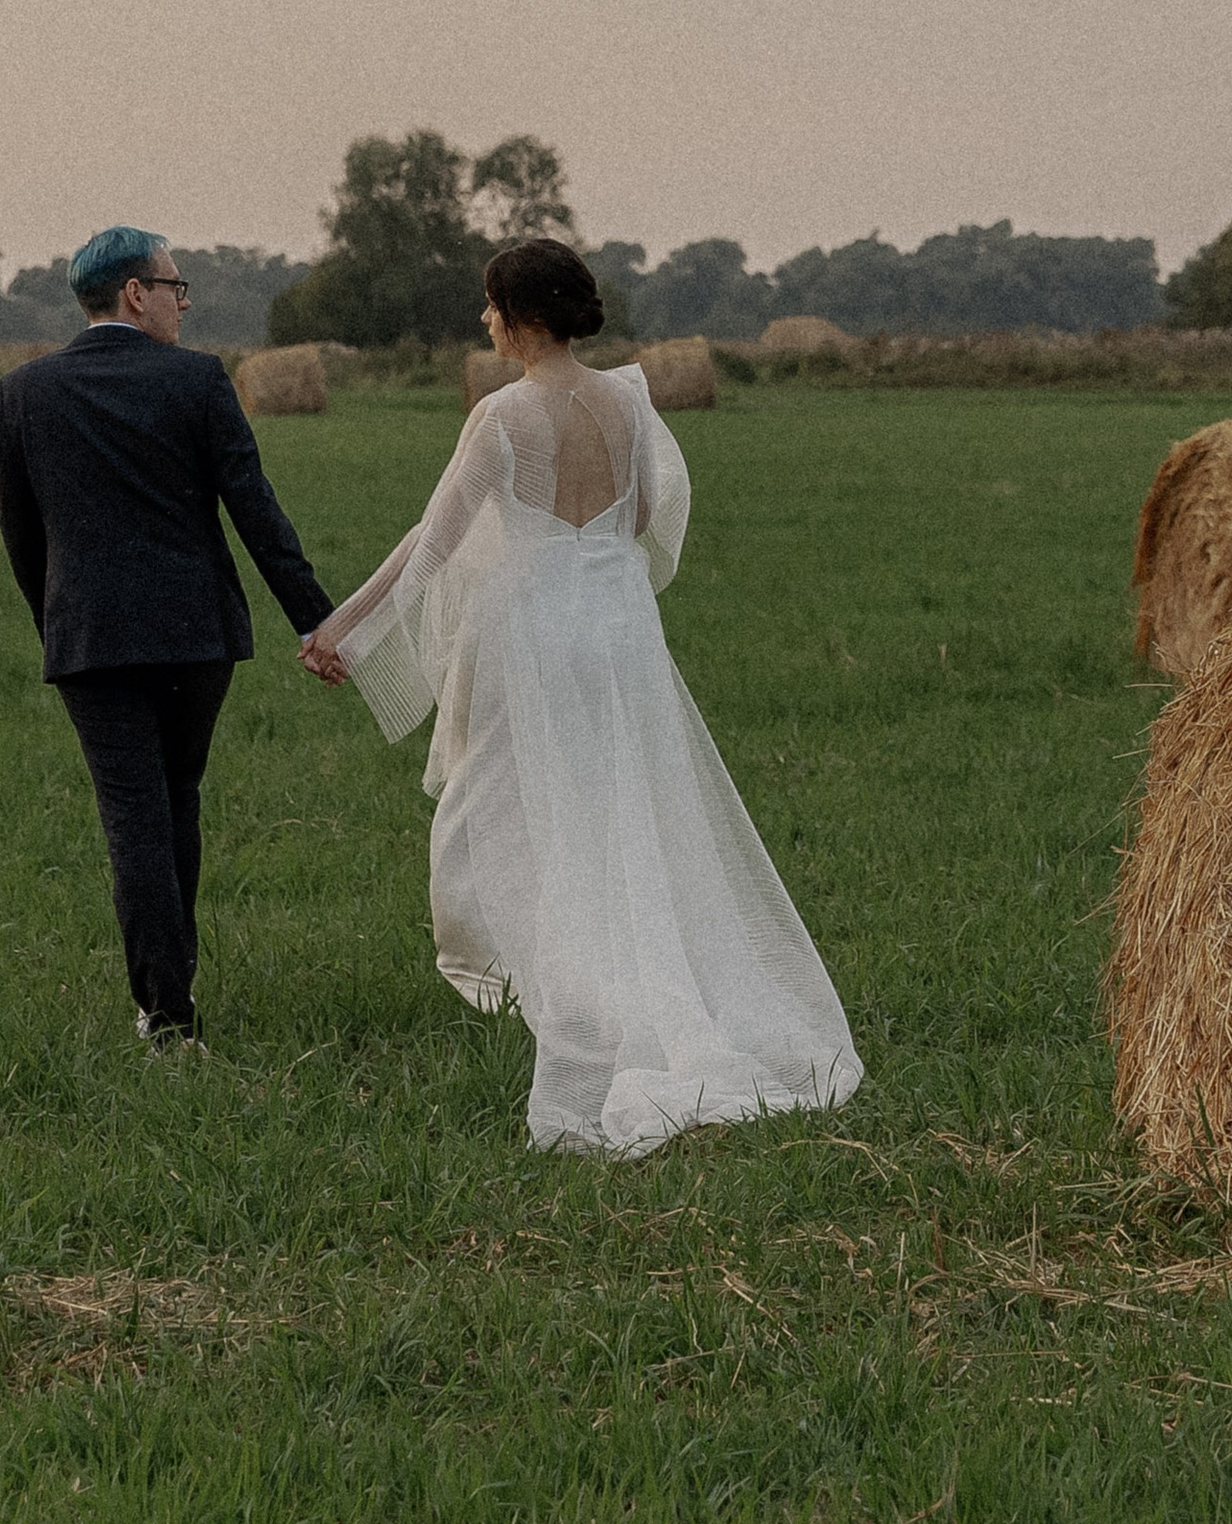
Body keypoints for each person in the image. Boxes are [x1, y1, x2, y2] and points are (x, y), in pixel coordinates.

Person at [304, 237, 861, 1154]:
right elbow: (642, 518)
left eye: (490, 306)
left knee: (485, 808)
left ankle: (532, 984)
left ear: (521, 316)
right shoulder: (632, 402)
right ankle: (595, 975)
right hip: (616, 628)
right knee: (620, 806)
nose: (484, 322)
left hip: (532, 631)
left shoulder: (499, 417)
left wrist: (345, 629)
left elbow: (434, 540)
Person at [0, 226, 340, 1054]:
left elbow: (20, 533)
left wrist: (63, 628)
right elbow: (255, 510)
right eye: (176, 288)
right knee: (175, 803)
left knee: (134, 817)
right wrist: (317, 619)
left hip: (91, 643)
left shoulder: (22, 390)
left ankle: (165, 1012)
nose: (185, 305)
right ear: (135, 294)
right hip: (195, 637)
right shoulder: (195, 380)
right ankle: (169, 998)